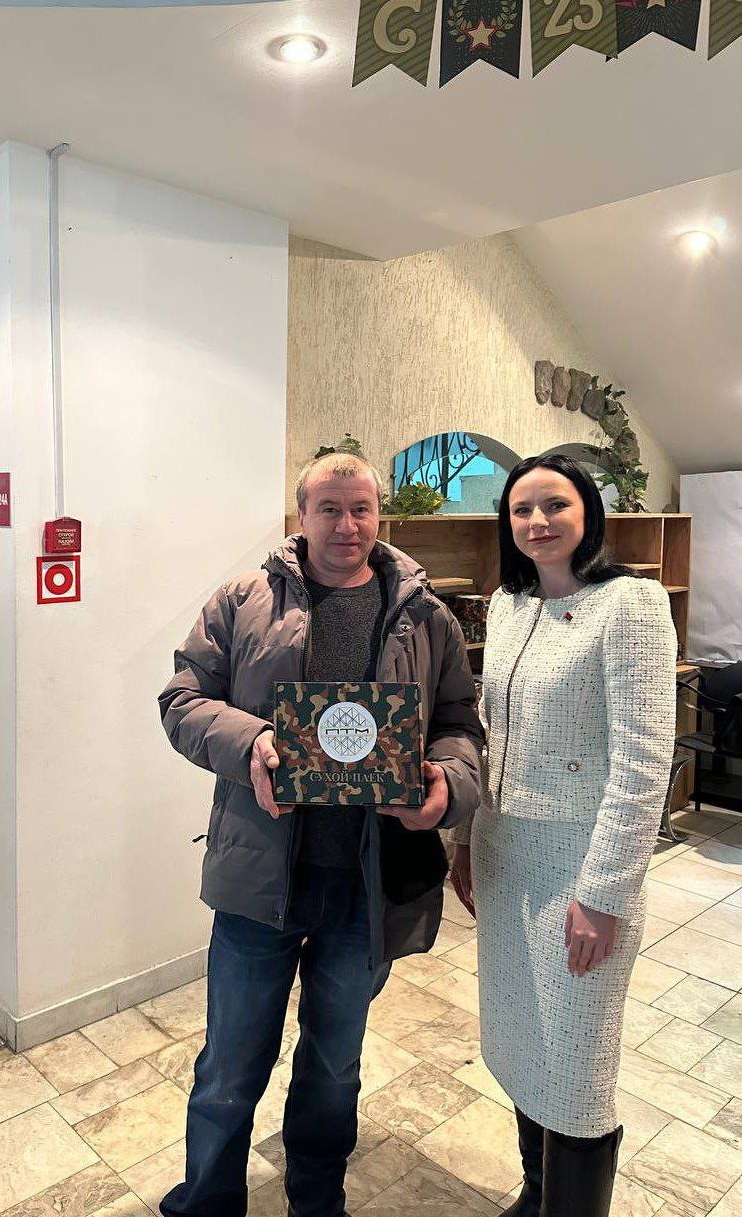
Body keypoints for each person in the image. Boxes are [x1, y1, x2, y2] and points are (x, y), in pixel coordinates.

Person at [157, 451, 483, 1217]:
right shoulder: (242, 600)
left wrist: (447, 784)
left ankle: (317, 1199)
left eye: (360, 508)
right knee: (229, 1067)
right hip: (259, 879)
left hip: (365, 887)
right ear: (300, 515)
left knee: (334, 1067)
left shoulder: (424, 616)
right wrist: (250, 743)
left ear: (378, 515)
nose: (346, 524)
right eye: (329, 508)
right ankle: (206, 1201)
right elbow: (181, 699)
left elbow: (458, 724)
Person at [451, 453, 677, 1217]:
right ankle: (536, 1195)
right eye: (520, 509)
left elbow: (643, 763)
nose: (537, 521)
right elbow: (487, 734)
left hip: (579, 868)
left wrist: (604, 894)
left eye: (554, 504)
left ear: (587, 512)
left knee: (577, 1067)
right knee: (524, 1044)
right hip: (504, 855)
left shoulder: (629, 604)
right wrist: (463, 840)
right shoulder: (506, 605)